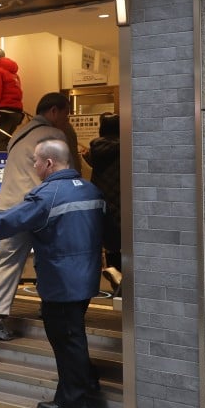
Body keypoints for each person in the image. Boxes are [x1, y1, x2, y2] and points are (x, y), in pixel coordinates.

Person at [0, 139, 104, 408]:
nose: (33, 166)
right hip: (86, 278)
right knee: (73, 335)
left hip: (61, 282)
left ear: (49, 163)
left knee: (66, 339)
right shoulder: (90, 190)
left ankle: (75, 402)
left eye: (35, 160)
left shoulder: (48, 195)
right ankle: (84, 382)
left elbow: (9, 220)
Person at [0, 92, 71, 341]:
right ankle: (50, 306)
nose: (67, 119)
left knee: (7, 260)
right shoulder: (54, 136)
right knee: (51, 257)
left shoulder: (20, 132)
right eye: (65, 114)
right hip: (36, 206)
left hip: (9, 205)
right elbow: (63, 174)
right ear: (53, 111)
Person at [83, 113, 122, 287]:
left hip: (102, 201)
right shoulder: (125, 147)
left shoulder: (96, 150)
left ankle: (114, 276)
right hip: (123, 201)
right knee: (126, 244)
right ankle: (122, 282)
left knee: (110, 244)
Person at [0, 47, 24, 150]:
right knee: (6, 142)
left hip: (3, 113)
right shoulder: (14, 74)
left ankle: (2, 166)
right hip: (16, 113)